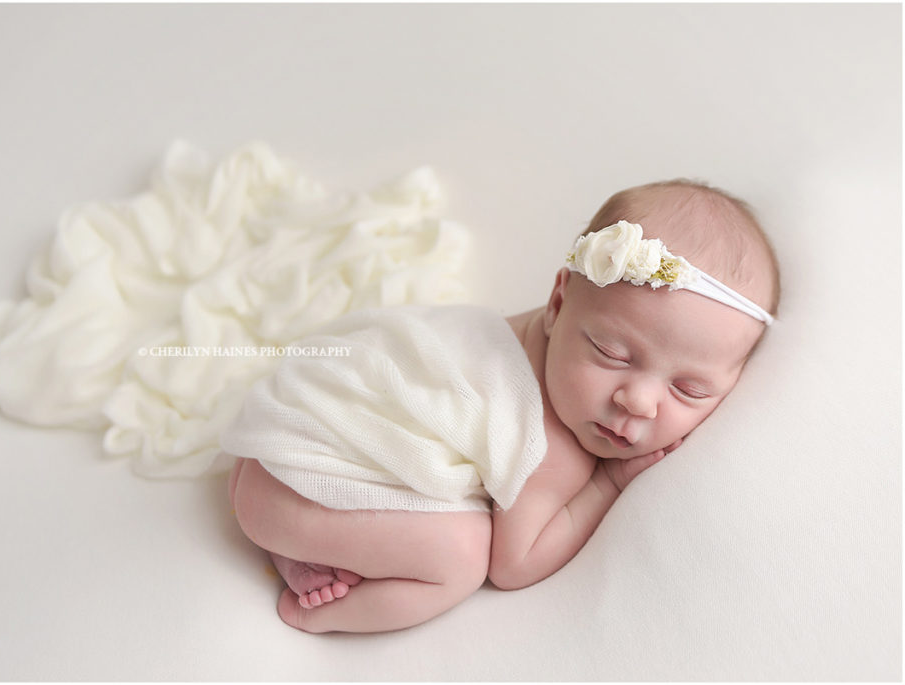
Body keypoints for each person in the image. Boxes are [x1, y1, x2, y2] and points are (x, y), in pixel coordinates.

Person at [223, 179, 781, 633]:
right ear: (559, 303)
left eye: (688, 390)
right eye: (611, 353)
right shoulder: (551, 447)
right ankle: (316, 616)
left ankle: (300, 546)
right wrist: (607, 485)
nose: (636, 399)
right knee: (463, 559)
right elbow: (514, 565)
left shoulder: (533, 332)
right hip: (287, 487)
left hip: (276, 429)